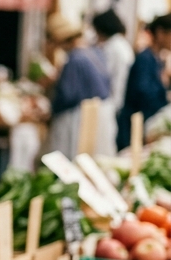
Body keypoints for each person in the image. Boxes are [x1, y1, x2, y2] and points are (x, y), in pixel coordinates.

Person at [39, 13, 110, 159]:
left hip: (79, 116)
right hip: (101, 113)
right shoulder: (95, 52)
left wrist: (50, 110)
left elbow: (67, 94)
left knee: (72, 158)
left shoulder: (75, 58)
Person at [119, 14, 171, 149]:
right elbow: (143, 93)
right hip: (134, 128)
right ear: (160, 33)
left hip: (144, 126)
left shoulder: (157, 59)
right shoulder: (145, 59)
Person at [93, 9, 133, 156]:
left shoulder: (114, 47)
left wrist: (116, 104)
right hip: (115, 100)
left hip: (113, 100)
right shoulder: (120, 45)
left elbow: (112, 78)